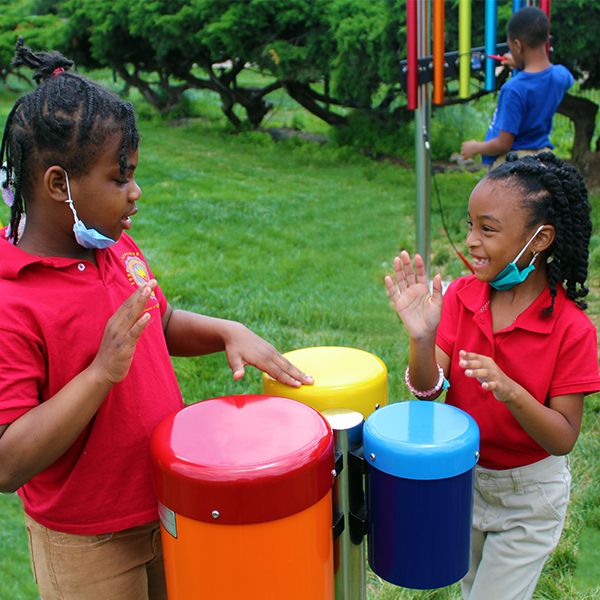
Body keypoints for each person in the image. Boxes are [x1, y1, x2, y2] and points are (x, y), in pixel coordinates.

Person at [0, 40, 313, 599]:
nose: (135, 193)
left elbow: (160, 324)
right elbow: (6, 462)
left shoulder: (112, 248)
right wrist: (100, 373)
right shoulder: (11, 302)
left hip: (169, 504)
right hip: (85, 543)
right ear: (57, 185)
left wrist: (224, 332)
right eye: (119, 179)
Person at [385, 152, 600, 600]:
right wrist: (422, 340)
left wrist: (511, 392)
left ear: (539, 240)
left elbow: (562, 439)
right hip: (465, 478)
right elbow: (428, 393)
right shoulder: (463, 296)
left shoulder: (571, 330)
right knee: (471, 589)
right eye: (469, 226)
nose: (472, 241)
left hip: (529, 496)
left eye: (487, 229)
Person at [461, 7, 573, 169]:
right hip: (542, 155)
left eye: (511, 47)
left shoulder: (513, 89)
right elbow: (544, 77)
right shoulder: (560, 75)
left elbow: (504, 143)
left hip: (514, 161)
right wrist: (520, 65)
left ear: (518, 45)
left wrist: (476, 147)